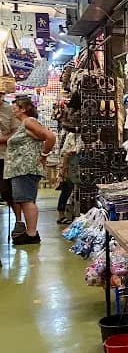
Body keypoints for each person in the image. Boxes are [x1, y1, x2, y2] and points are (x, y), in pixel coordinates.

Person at [5, 97, 56, 245]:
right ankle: (30, 232)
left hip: (25, 168)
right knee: (25, 200)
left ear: (24, 109)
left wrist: (44, 155)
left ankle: (32, 233)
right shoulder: (26, 124)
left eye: (16, 107)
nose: (13, 109)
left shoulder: (29, 121)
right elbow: (40, 137)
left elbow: (50, 137)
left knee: (27, 200)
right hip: (21, 169)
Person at [0, 91, 23, 236]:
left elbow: (17, 132)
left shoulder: (9, 110)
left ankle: (19, 222)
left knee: (8, 192)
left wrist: (4, 139)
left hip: (4, 157)